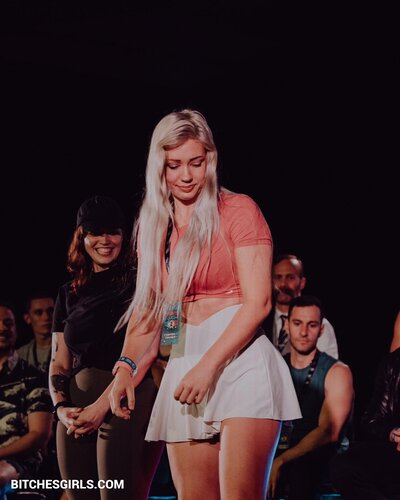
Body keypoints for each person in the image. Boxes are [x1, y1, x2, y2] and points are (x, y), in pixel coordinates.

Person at [108, 108, 301, 500]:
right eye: (174, 165)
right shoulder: (154, 226)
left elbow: (259, 302)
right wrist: (126, 367)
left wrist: (208, 367)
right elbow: (150, 311)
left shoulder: (238, 209)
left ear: (210, 159)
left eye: (196, 163)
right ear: (158, 166)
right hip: (185, 364)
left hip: (239, 363)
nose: (186, 175)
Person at [49, 195, 163, 500]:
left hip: (126, 399)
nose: (105, 240)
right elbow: (59, 362)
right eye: (95, 232)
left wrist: (100, 408)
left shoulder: (142, 282)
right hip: (75, 406)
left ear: (125, 236)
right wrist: (61, 408)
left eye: (113, 231)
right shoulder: (68, 292)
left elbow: (148, 351)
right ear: (81, 237)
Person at [268, 295, 353, 500]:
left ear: (321, 330)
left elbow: (328, 432)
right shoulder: (275, 367)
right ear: (287, 325)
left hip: (319, 463)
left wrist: (281, 461)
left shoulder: (337, 371)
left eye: (312, 325)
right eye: (297, 323)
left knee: (303, 472)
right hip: (279, 455)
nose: (304, 332)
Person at [330, 347, 400, 499]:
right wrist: (394, 433)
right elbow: (372, 420)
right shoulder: (393, 364)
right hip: (396, 452)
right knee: (344, 466)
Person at [0, 301, 53, 489]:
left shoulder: (33, 376)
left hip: (19, 463)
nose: (2, 328)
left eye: (8, 323)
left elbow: (39, 435)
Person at [264, 253, 339, 358]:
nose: (283, 284)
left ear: (302, 282)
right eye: (278, 277)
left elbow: (328, 365)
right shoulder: (260, 321)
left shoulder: (319, 325)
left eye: (290, 278)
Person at [17, 292, 55, 373]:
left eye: (51, 311)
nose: (46, 317)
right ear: (27, 318)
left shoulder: (68, 348)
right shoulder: (20, 355)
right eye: (38, 313)